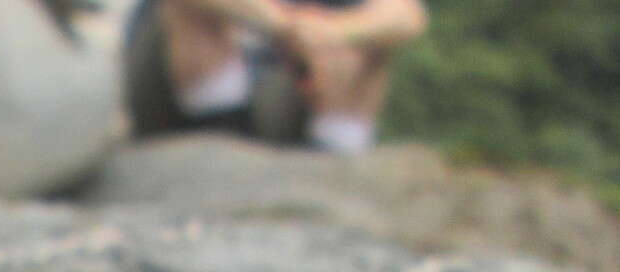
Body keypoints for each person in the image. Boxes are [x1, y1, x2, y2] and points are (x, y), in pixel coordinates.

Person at [123, 0, 428, 155]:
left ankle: (334, 162)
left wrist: (331, 33)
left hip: (275, 99)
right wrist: (285, 27)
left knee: (366, 41)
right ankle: (220, 151)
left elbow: (407, 15)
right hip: (168, 93)